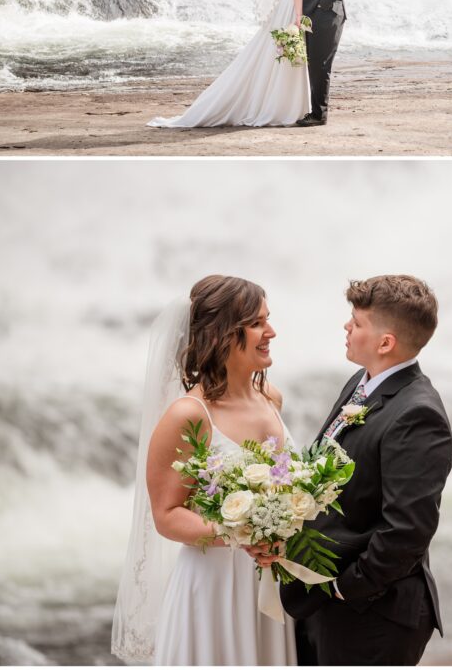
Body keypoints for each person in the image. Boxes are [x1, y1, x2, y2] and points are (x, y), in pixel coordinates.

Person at [111, 275, 297, 666]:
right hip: (213, 589)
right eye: (258, 323)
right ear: (222, 334)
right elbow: (166, 515)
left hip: (267, 583)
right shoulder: (189, 415)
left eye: (269, 319)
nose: (272, 332)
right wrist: (240, 532)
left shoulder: (271, 398)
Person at [280, 275, 452, 666]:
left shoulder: (418, 414)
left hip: (373, 616)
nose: (347, 327)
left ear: (385, 342)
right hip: (323, 601)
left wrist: (346, 588)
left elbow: (408, 529)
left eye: (357, 323)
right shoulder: (362, 383)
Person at [147, 0, 313, 129]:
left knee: (273, 58)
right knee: (283, 59)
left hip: (283, 7)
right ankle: (282, 108)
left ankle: (277, 103)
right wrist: (298, 18)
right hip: (290, 9)